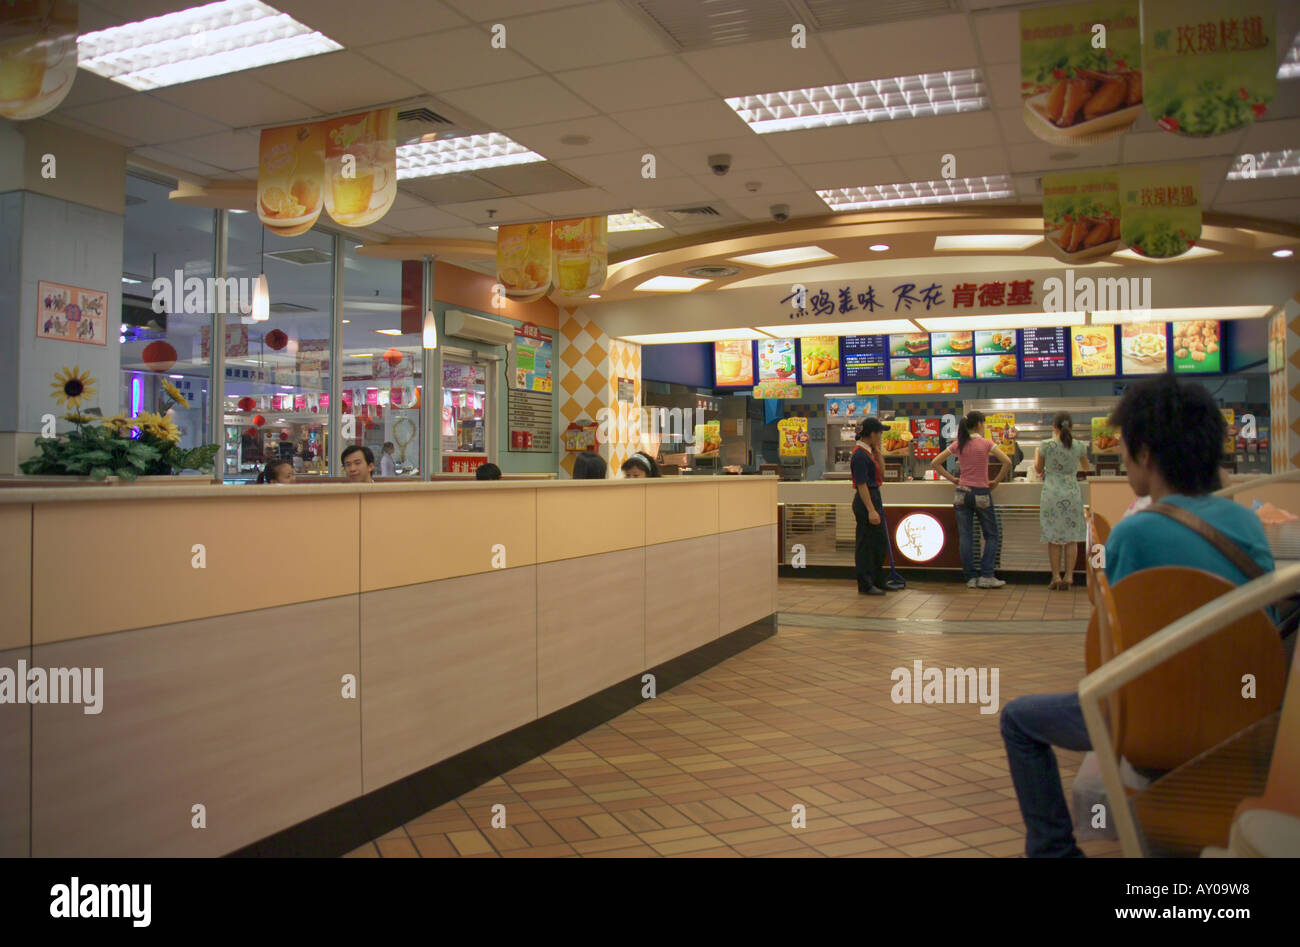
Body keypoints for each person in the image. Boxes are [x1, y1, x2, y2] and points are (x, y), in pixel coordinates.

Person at [1000, 374, 1275, 858]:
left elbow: (1116, 654)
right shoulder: (1247, 521)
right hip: (1246, 717)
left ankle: (1054, 852)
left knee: (1019, 720)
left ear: (1146, 454)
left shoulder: (1135, 532)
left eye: (1126, 447)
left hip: (1154, 723)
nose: (1121, 457)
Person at [931, 411, 1013, 589]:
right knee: (991, 535)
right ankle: (987, 575)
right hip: (981, 493)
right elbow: (1007, 462)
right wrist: (996, 481)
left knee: (966, 536)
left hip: (961, 493)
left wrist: (953, 479)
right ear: (979, 424)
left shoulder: (959, 444)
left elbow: (935, 463)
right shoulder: (986, 443)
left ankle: (970, 577)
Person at [1035, 412, 1091, 590]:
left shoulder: (1046, 445)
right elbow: (1086, 467)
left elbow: (1038, 468)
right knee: (1071, 538)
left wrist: (1037, 454)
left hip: (1051, 493)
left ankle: (1056, 577)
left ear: (1054, 426)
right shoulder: (1079, 446)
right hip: (1071, 492)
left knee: (1054, 537)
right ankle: (1069, 577)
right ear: (1071, 426)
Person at [850, 418, 890, 596]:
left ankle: (877, 579)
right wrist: (871, 510)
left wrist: (877, 451)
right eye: (880, 433)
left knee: (878, 543)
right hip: (866, 500)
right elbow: (861, 484)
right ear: (872, 434)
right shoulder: (859, 455)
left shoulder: (868, 452)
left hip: (874, 496)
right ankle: (865, 583)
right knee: (865, 544)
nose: (881, 436)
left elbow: (882, 472)